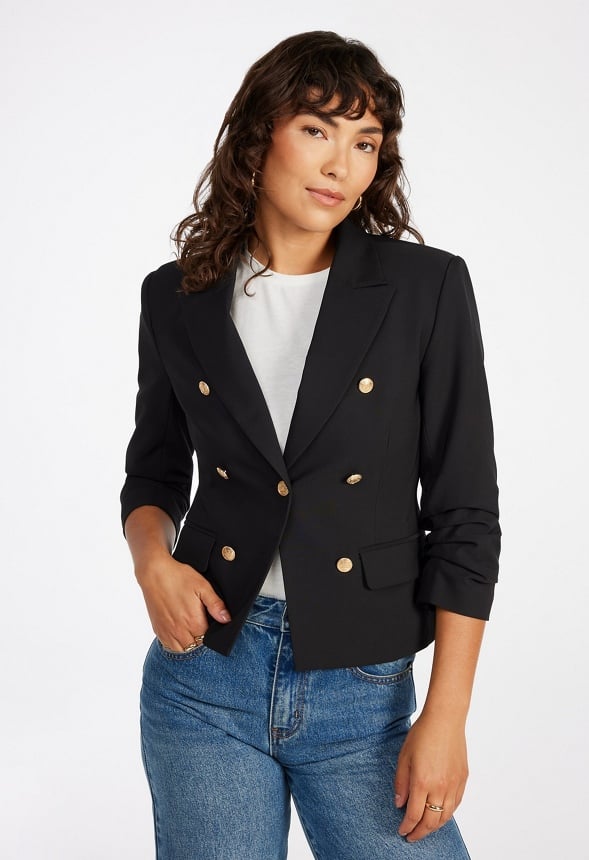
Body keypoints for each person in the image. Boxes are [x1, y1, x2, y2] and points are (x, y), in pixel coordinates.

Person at [120, 30, 501, 860]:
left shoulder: (424, 288)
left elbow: (465, 512)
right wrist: (152, 563)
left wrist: (445, 716)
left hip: (363, 688)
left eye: (364, 142)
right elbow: (153, 470)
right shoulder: (176, 296)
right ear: (259, 135)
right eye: (317, 130)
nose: (341, 164)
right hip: (204, 675)